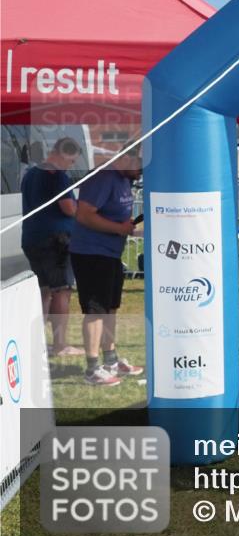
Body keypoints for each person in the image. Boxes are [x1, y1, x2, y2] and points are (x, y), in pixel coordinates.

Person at [68, 151, 145, 386]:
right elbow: (83, 215)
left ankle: (110, 361)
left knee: (110, 308)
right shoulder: (102, 177)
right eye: (140, 164)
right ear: (125, 158)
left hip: (110, 253)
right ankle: (92, 369)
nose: (142, 170)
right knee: (96, 310)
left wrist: (125, 229)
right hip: (90, 252)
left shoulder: (124, 179)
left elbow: (120, 222)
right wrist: (118, 228)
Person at [20, 137, 83, 356]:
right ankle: (60, 345)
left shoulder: (30, 174)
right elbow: (67, 207)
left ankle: (35, 342)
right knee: (62, 291)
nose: (71, 165)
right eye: (72, 160)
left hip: (31, 238)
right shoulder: (57, 175)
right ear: (63, 153)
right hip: (55, 241)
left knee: (44, 292)